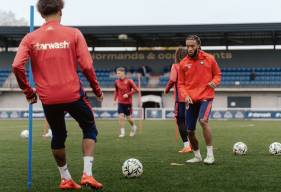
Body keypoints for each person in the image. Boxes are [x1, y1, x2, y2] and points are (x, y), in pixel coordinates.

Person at [12, 0, 103, 190]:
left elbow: (16, 65)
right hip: (73, 94)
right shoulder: (74, 33)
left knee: (58, 135)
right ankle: (87, 174)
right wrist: (97, 90)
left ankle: (65, 178)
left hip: (48, 98)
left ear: (41, 14)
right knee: (89, 129)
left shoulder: (30, 38)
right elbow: (86, 66)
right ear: (60, 10)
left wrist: (29, 92)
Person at [178, 35, 222, 164]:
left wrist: (215, 82)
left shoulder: (210, 59)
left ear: (198, 46)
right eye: (187, 46)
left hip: (206, 96)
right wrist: (185, 95)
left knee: (203, 121)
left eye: (192, 46)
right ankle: (197, 156)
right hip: (190, 99)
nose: (189, 48)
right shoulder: (183, 63)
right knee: (190, 130)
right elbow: (181, 83)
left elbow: (218, 74)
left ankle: (210, 155)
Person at [164, 48, 192, 153]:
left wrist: (166, 90)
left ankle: (187, 145)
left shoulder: (175, 66)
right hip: (191, 98)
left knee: (180, 121)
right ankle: (193, 144)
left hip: (180, 99)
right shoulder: (191, 66)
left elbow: (172, 79)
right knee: (189, 121)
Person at [114, 67, 139, 138]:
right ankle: (122, 132)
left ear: (123, 73)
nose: (117, 74)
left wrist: (127, 94)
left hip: (128, 103)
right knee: (121, 116)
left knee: (128, 118)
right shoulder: (116, 82)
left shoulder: (129, 81)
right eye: (117, 73)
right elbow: (116, 91)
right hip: (120, 102)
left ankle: (133, 127)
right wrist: (114, 100)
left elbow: (136, 90)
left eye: (118, 73)